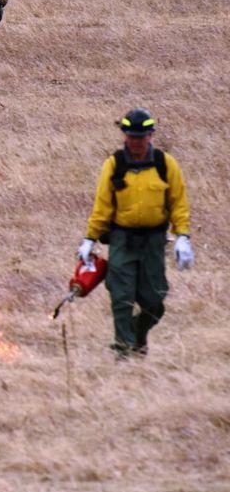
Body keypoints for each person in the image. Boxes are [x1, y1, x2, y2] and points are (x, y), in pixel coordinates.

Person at [78, 108, 194, 357]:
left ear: (151, 135)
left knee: (154, 301)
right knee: (121, 296)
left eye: (141, 137)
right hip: (122, 240)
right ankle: (124, 350)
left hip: (153, 242)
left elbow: (178, 203)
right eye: (131, 137)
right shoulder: (114, 165)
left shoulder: (165, 164)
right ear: (124, 136)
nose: (136, 142)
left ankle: (136, 336)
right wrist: (89, 239)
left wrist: (183, 236)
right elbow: (101, 207)